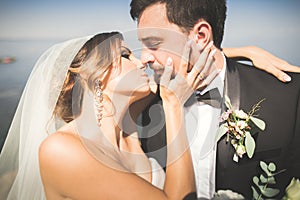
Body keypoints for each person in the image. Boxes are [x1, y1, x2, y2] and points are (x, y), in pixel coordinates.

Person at [0, 31, 223, 199]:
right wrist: (173, 105)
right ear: (97, 75)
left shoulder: (130, 119)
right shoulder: (60, 148)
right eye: (126, 55)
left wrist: (246, 53)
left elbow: (177, 63)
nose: (141, 62)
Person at [130, 0, 300, 199]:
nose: (144, 59)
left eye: (154, 44)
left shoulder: (288, 96)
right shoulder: (142, 111)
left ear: (201, 36)